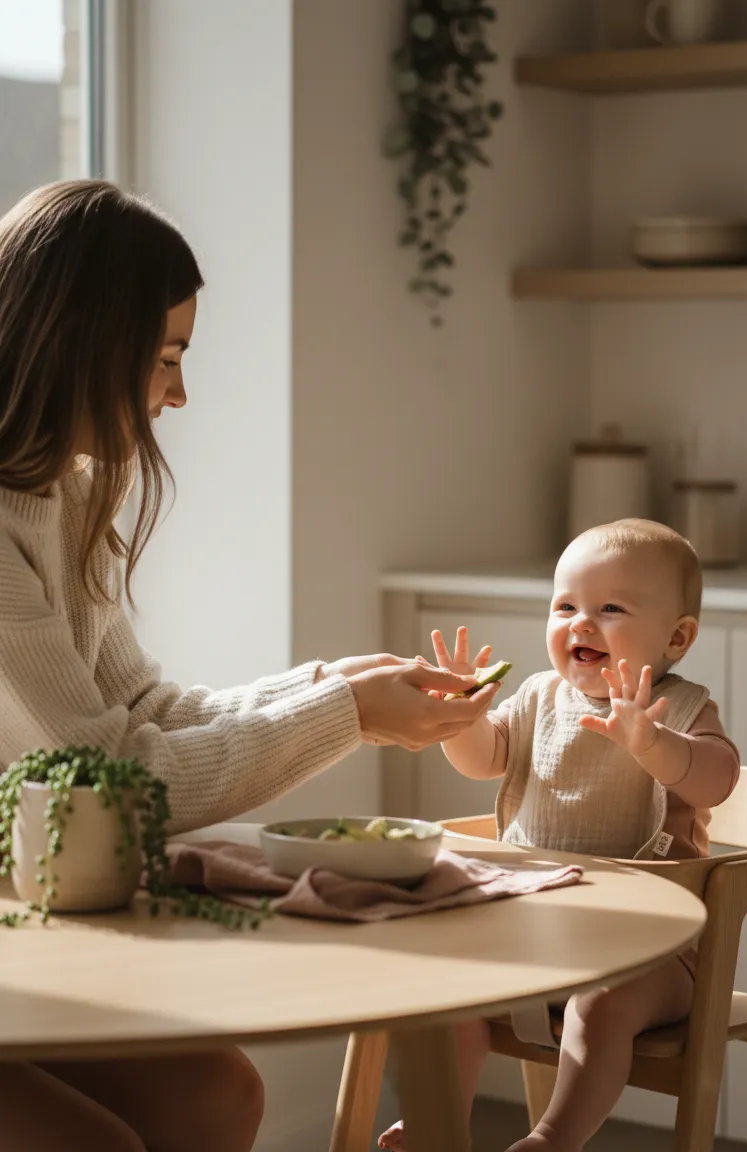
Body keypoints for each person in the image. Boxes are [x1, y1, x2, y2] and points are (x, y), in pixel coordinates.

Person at [0, 180, 500, 1152]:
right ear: (78, 343)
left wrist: (328, 686)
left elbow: (139, 704)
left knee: (217, 1097)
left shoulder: (66, 494)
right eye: (164, 358)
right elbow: (114, 779)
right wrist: (347, 715)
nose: (177, 394)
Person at [379, 518, 741, 1152]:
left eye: (610, 608)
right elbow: (485, 757)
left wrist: (653, 744)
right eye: (566, 605)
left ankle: (554, 1137)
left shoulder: (679, 709)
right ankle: (438, 1124)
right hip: (535, 937)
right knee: (455, 986)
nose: (581, 622)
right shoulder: (539, 697)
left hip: (653, 952)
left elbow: (717, 779)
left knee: (601, 1007)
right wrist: (459, 717)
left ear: (677, 638)